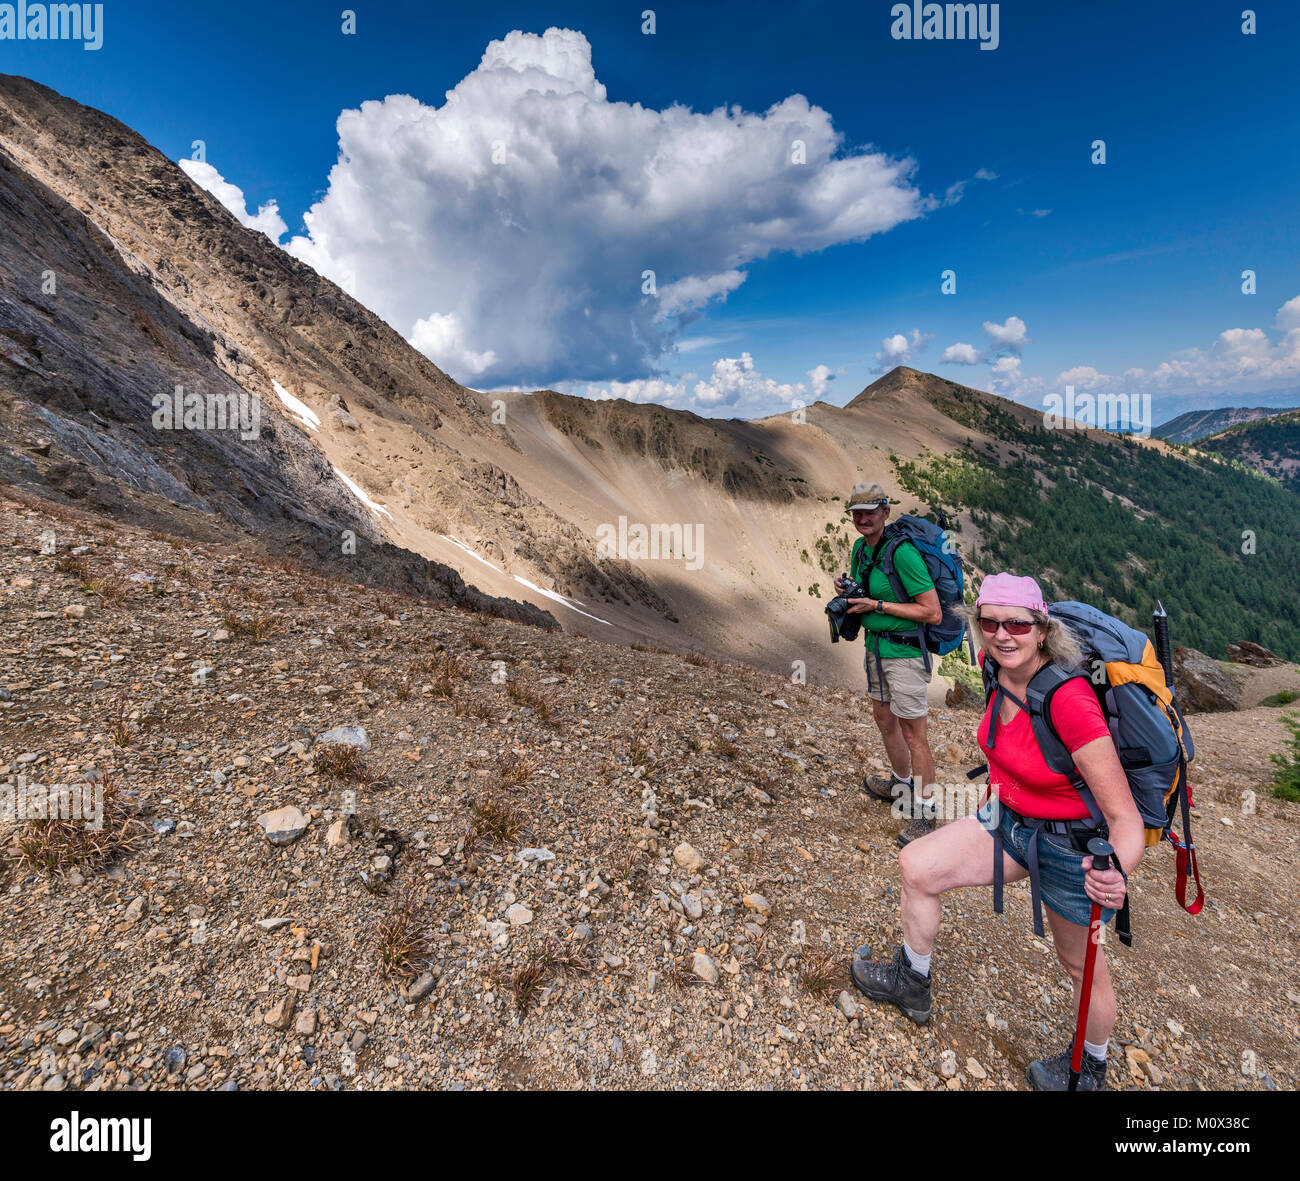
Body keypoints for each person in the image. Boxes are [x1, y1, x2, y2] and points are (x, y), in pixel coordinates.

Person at [849, 572, 1144, 1090]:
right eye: (990, 623)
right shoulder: (994, 667)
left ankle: (1089, 1067)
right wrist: (996, 794)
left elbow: (1125, 819)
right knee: (916, 866)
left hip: (1069, 845)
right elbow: (1009, 751)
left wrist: (1115, 869)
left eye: (1017, 624)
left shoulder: (1068, 700)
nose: (1003, 634)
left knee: (1080, 966)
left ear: (1042, 628)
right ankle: (911, 981)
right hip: (1008, 820)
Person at [834, 481, 943, 846]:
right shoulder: (860, 549)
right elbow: (868, 590)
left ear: (885, 512)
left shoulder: (903, 554)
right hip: (875, 648)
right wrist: (849, 590)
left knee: (915, 734)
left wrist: (878, 607)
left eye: (870, 512)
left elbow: (931, 611)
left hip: (906, 653)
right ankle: (901, 786)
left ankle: (925, 812)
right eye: (857, 513)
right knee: (884, 720)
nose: (863, 519)